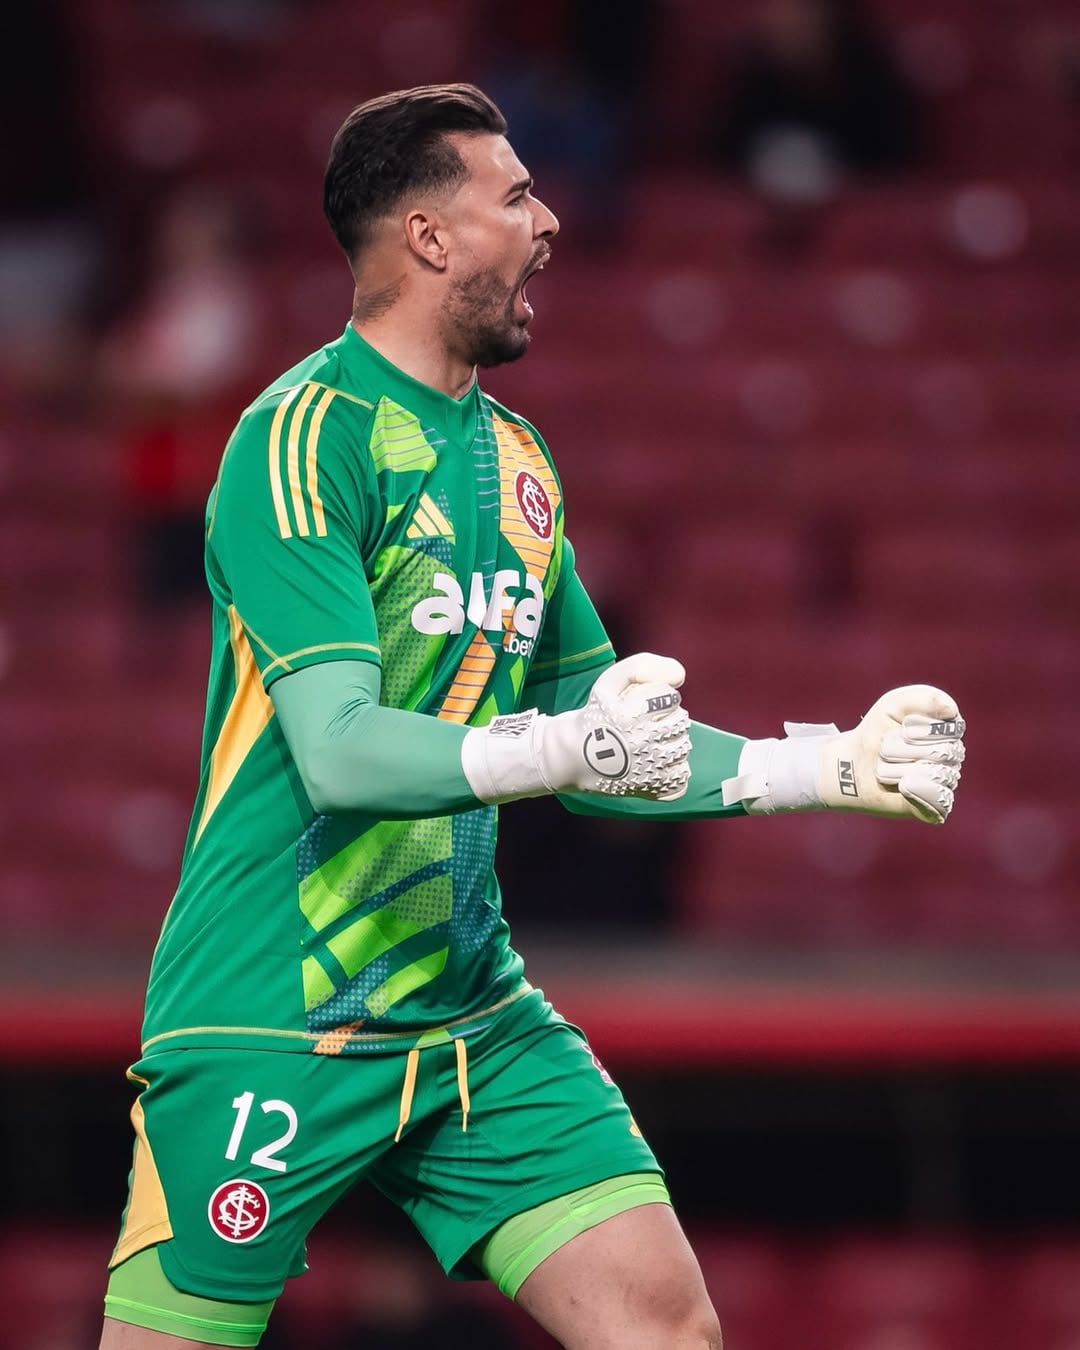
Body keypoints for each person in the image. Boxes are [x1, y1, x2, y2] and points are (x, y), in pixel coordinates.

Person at [98, 84, 965, 1350]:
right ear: (429, 237)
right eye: (515, 196)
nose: (549, 220)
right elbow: (339, 750)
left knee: (670, 1331)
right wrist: (561, 745)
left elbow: (608, 736)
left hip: (471, 1018)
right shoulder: (302, 440)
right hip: (273, 1015)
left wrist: (829, 765)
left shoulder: (519, 464)